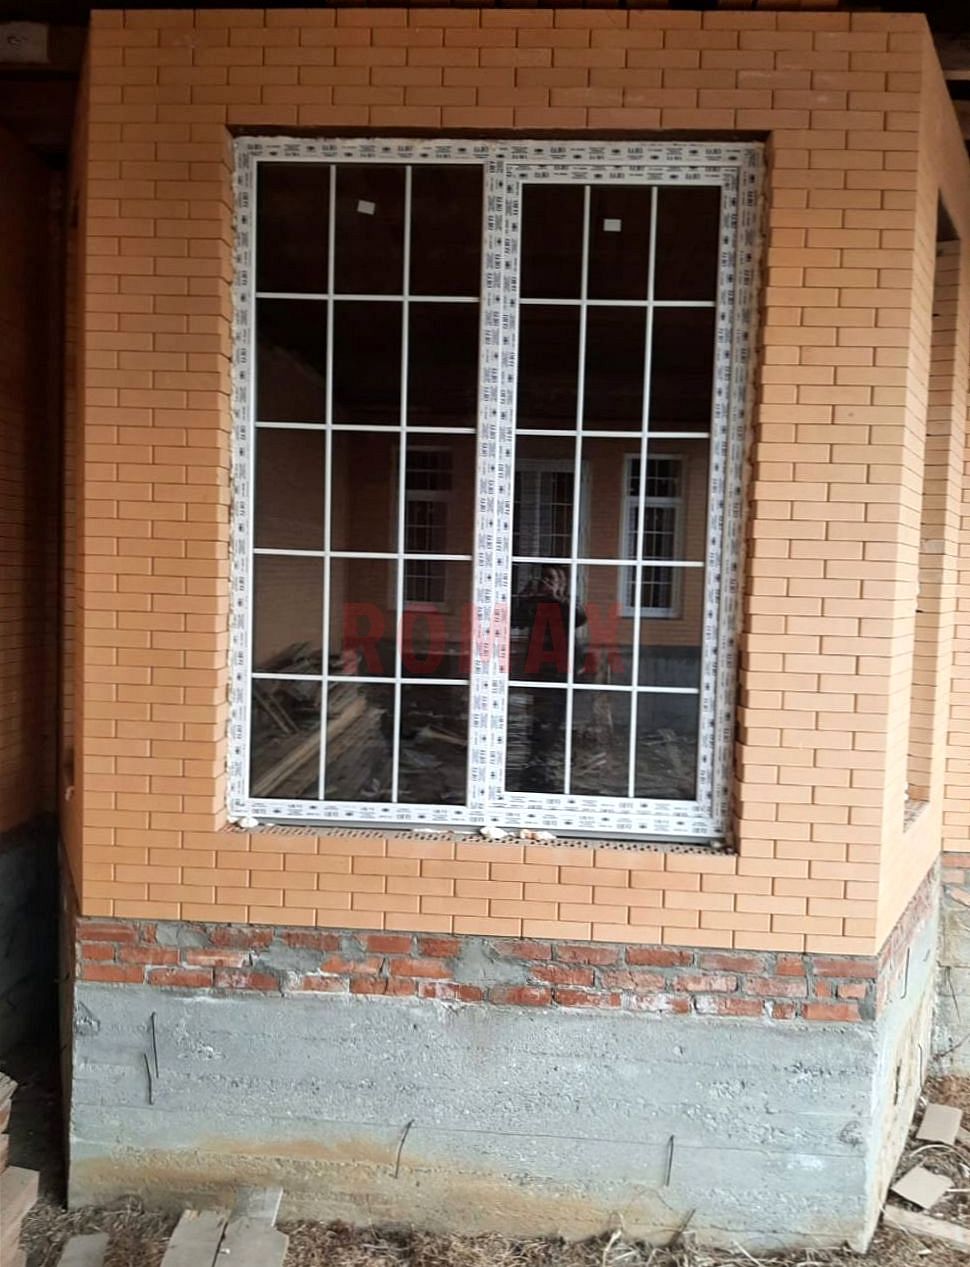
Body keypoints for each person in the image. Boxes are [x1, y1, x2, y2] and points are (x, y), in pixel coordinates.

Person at [510, 565, 587, 790]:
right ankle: (535, 763)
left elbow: (579, 619)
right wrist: (525, 597)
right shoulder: (535, 601)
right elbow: (515, 620)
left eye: (554, 580)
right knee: (538, 715)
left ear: (563, 583)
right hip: (538, 667)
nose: (549, 583)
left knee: (555, 717)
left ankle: (543, 763)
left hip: (562, 669)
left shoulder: (566, 603)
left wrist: (558, 598)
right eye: (546, 579)